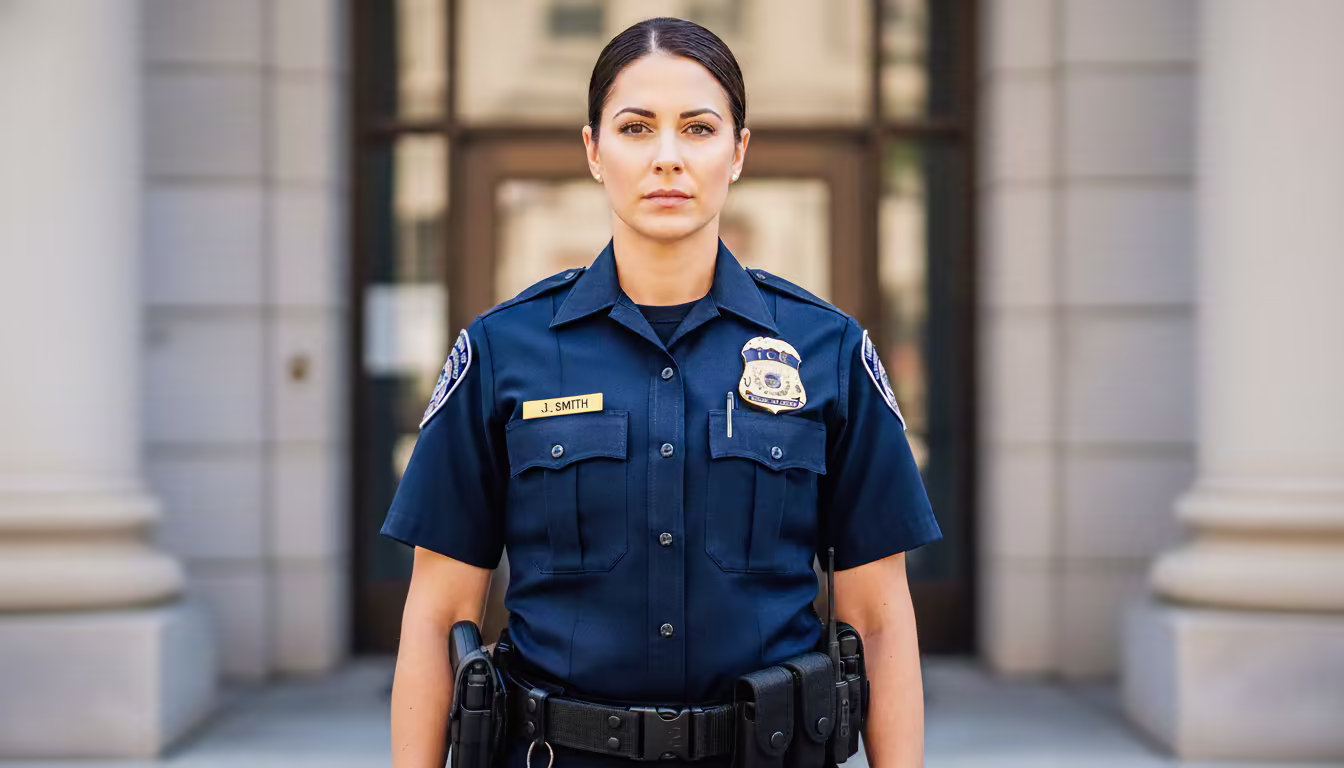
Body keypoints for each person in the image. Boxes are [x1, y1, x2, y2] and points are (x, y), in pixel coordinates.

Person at [380, 17, 941, 768]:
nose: (667, 158)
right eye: (637, 128)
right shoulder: (501, 351)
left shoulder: (828, 352)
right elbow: (436, 615)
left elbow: (877, 619)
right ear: (593, 150)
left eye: (699, 129)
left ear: (739, 151)